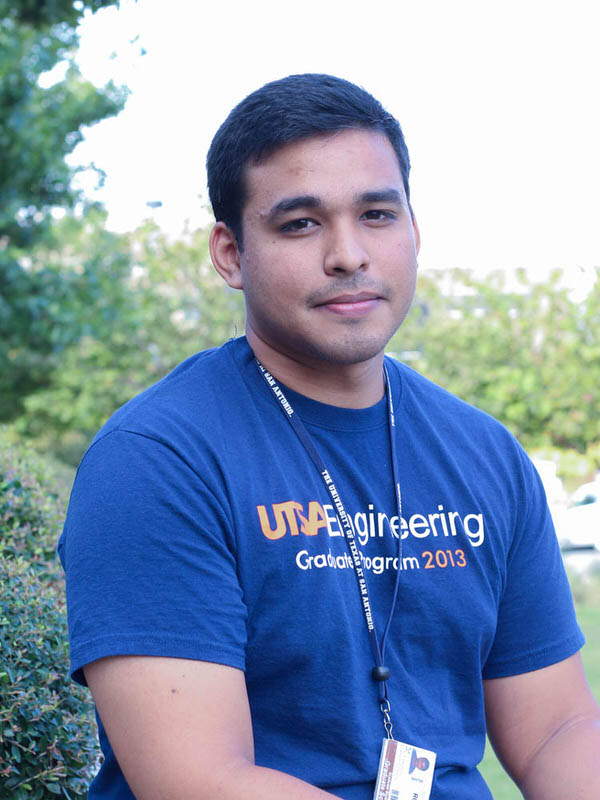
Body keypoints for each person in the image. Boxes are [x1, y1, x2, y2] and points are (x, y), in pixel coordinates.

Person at [59, 73, 600, 800]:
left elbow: (557, 729)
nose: (349, 254)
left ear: (414, 231)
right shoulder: (156, 462)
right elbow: (196, 779)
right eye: (301, 224)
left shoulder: (485, 453)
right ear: (230, 253)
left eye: (376, 214)